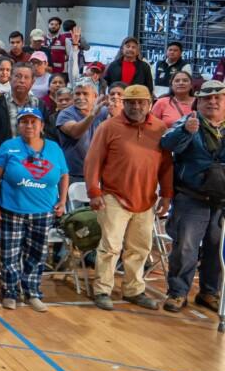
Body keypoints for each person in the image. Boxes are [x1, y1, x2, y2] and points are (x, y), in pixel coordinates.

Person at [84, 85, 172, 311]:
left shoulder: (160, 128)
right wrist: (93, 191)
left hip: (146, 199)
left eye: (141, 102)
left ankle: (134, 290)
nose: (136, 106)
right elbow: (93, 161)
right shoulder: (108, 127)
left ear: (149, 103)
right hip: (113, 196)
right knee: (110, 247)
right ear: (124, 103)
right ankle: (102, 290)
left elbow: (166, 166)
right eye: (131, 102)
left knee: (141, 248)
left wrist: (167, 194)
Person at [0, 107, 68, 313]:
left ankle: (32, 291)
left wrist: (63, 200)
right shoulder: (8, 147)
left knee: (37, 253)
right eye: (24, 122)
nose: (29, 125)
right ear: (19, 125)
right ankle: (10, 291)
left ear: (41, 126)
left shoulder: (54, 149)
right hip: (12, 209)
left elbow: (64, 175)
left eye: (34, 122)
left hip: (43, 211)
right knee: (10, 254)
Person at [160, 80, 225, 313]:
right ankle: (177, 293)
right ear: (199, 101)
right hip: (191, 197)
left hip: (221, 201)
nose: (213, 102)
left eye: (218, 97)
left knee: (216, 250)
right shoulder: (188, 122)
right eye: (207, 98)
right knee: (185, 248)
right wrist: (186, 131)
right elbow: (166, 143)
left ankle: (209, 292)